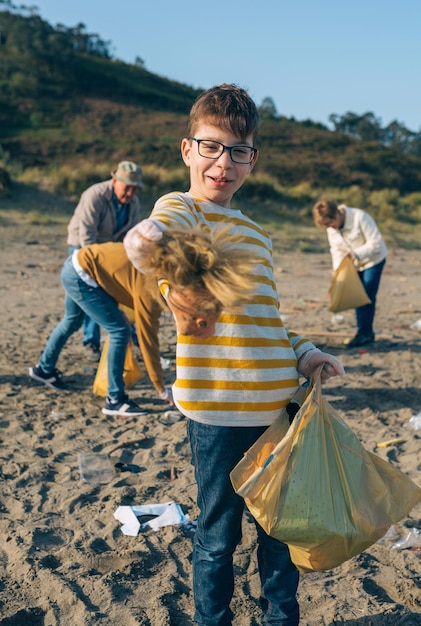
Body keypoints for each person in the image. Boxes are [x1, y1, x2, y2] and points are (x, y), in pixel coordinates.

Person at [123, 84, 345, 626]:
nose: (224, 163)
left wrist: (308, 354)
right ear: (187, 149)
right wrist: (149, 245)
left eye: (238, 150)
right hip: (218, 413)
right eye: (211, 146)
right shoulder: (179, 209)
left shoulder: (258, 234)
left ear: (253, 158)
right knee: (218, 535)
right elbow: (151, 240)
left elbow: (269, 323)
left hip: (278, 412)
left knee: (278, 535)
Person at [29, 225, 257, 418]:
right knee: (119, 331)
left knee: (72, 321)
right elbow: (149, 342)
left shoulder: (161, 275)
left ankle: (43, 369)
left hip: (79, 261)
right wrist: (161, 390)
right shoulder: (150, 292)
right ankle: (115, 400)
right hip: (82, 272)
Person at [67, 160, 144, 362]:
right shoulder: (94, 196)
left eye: (135, 189)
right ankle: (91, 342)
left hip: (107, 248)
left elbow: (129, 236)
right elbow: (86, 235)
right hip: (83, 248)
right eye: (127, 188)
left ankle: (134, 338)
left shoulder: (133, 203)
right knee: (93, 294)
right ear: (114, 180)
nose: (130, 193)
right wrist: (95, 268)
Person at [313, 198, 387, 348]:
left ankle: (365, 334)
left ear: (337, 214)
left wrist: (357, 253)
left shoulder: (360, 217)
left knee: (366, 296)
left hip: (373, 260)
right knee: (356, 295)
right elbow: (336, 250)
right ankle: (364, 332)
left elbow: (376, 243)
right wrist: (337, 272)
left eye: (329, 223)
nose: (330, 228)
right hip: (353, 265)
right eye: (326, 225)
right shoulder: (331, 229)